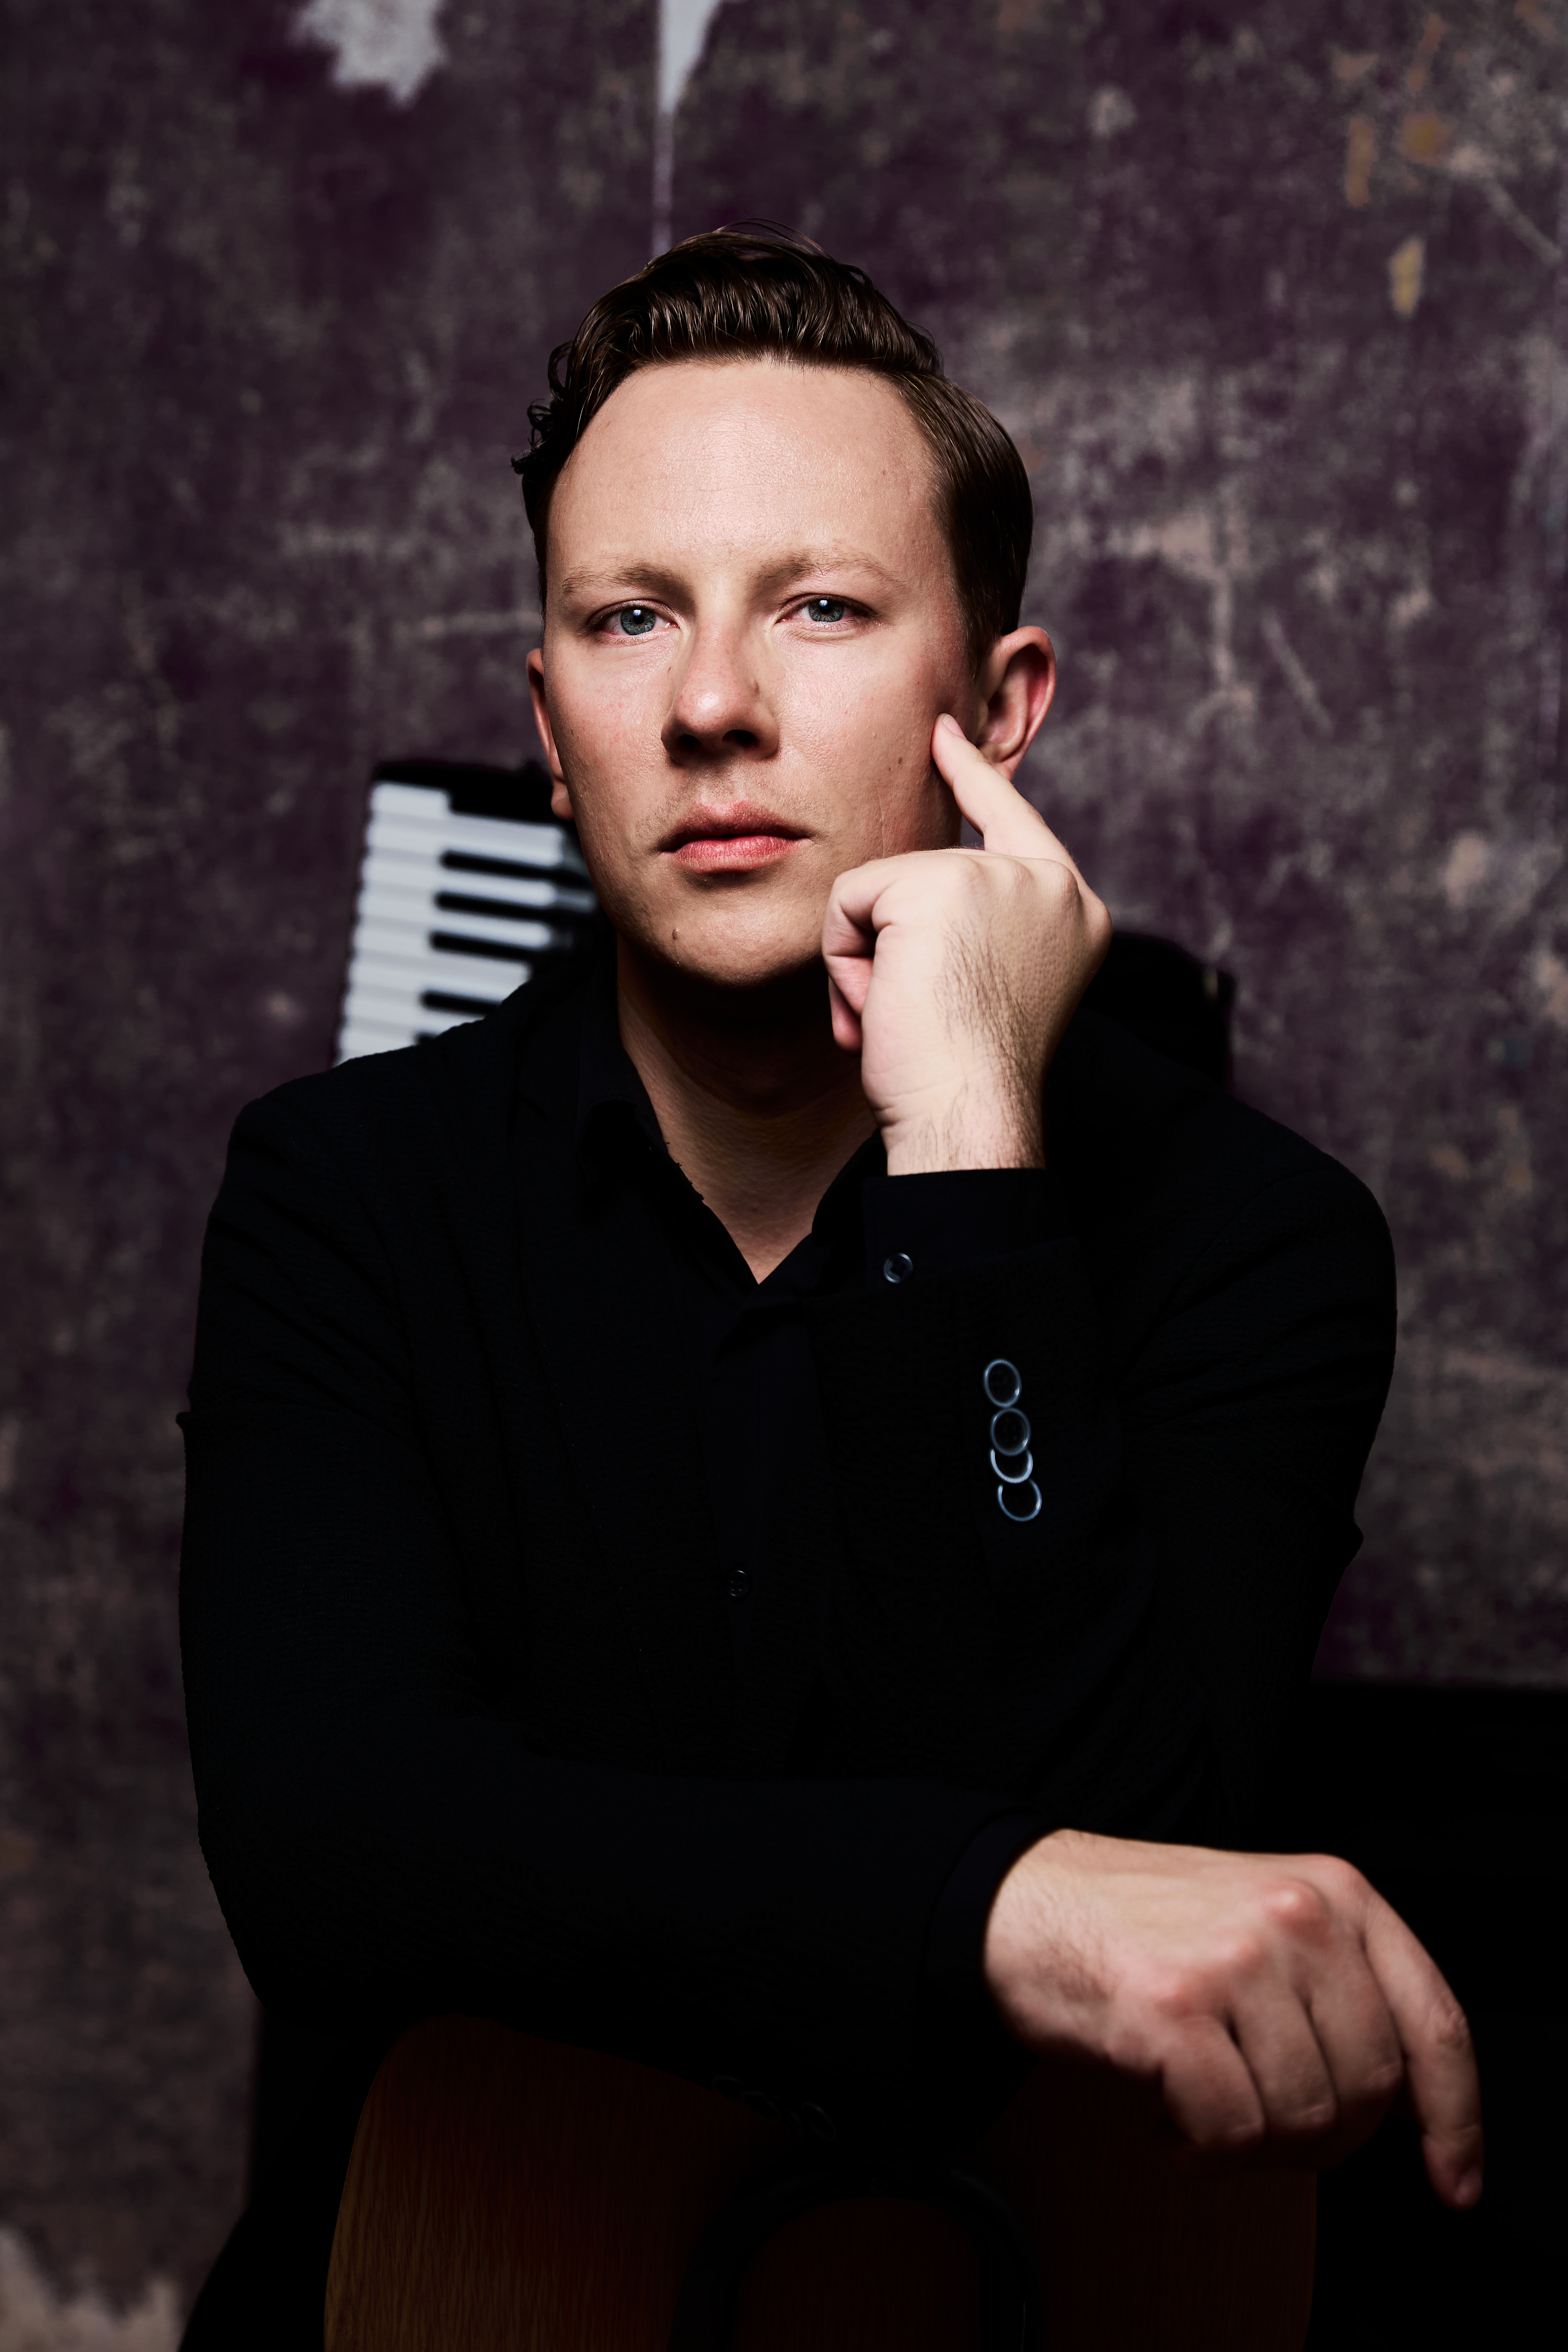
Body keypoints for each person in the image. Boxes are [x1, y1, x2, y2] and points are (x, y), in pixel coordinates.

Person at [177, 226, 1481, 2341]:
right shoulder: (344, 1193)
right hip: (446, 2282)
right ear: (551, 720)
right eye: (630, 618)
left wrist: (967, 1136)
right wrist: (986, 1907)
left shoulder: (1258, 1238)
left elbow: (1136, 1891)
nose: (711, 704)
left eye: (822, 608)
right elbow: (335, 1851)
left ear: (1000, 709)